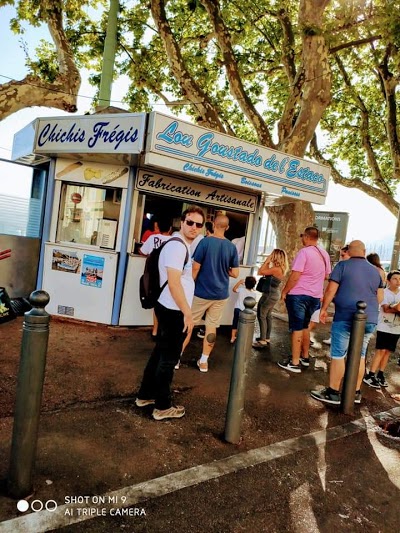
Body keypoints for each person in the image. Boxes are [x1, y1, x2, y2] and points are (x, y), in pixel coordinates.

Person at [135, 205, 205, 420]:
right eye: (190, 222)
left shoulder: (178, 244)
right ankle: (163, 406)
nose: (194, 227)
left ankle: (145, 395)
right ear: (182, 223)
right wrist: (187, 314)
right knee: (168, 359)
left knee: (160, 353)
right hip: (174, 310)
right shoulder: (177, 247)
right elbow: (174, 283)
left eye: (198, 224)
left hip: (167, 306)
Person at [310, 240, 384, 405]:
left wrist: (323, 309)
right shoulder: (376, 271)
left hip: (345, 316)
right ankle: (355, 392)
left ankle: (333, 392)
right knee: (360, 355)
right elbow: (380, 298)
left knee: (338, 354)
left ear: (349, 251)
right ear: (364, 251)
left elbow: (331, 289)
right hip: (369, 318)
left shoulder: (342, 266)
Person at [278, 227, 331, 373]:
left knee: (296, 329)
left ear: (307, 237)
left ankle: (294, 363)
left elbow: (295, 276)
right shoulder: (324, 254)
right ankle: (304, 357)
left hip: (299, 295)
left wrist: (285, 291)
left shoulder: (304, 252)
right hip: (315, 297)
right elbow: (327, 276)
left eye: (302, 236)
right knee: (305, 327)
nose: (301, 239)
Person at [191, 214, 239, 372]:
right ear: (227, 228)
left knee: (189, 323)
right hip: (220, 295)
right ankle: (204, 362)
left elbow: (195, 268)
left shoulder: (205, 242)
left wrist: (189, 285)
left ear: (213, 225)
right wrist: (224, 269)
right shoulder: (231, 247)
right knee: (211, 327)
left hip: (201, 292)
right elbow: (235, 273)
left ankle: (176, 358)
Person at [363, 270, 400, 389]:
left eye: (399, 279)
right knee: (381, 350)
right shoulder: (384, 292)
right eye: (395, 279)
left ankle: (381, 374)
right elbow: (386, 309)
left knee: (388, 351)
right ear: (388, 280)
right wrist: (397, 308)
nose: (398, 281)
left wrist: (395, 307)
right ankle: (371, 374)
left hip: (396, 328)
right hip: (384, 326)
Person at [139, 216, 172, 339]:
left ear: (158, 227)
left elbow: (142, 251)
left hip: (153, 275)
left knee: (156, 302)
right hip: (168, 276)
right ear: (170, 228)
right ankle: (163, 331)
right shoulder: (174, 241)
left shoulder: (153, 238)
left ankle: (155, 331)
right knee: (165, 303)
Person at [252, 249, 289, 349]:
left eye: (272, 255)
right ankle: (266, 337)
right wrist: (268, 263)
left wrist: (267, 261)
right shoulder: (280, 269)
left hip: (269, 295)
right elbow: (265, 272)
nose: (270, 256)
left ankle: (262, 340)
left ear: (276, 257)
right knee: (268, 316)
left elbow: (260, 272)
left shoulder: (276, 269)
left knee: (261, 315)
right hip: (273, 294)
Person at [231, 276, 257, 344]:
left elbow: (234, 289)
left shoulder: (241, 290)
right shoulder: (254, 294)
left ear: (245, 283)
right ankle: (241, 338)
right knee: (243, 324)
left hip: (237, 309)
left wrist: (239, 282)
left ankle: (232, 338)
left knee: (235, 322)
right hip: (246, 311)